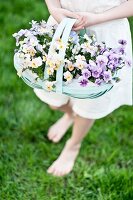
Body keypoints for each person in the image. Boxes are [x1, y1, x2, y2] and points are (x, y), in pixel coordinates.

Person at [34, 0, 133, 176]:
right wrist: (54, 8)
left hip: (105, 32)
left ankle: (73, 144)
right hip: (63, 27)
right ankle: (69, 114)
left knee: (89, 105)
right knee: (54, 99)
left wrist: (98, 18)